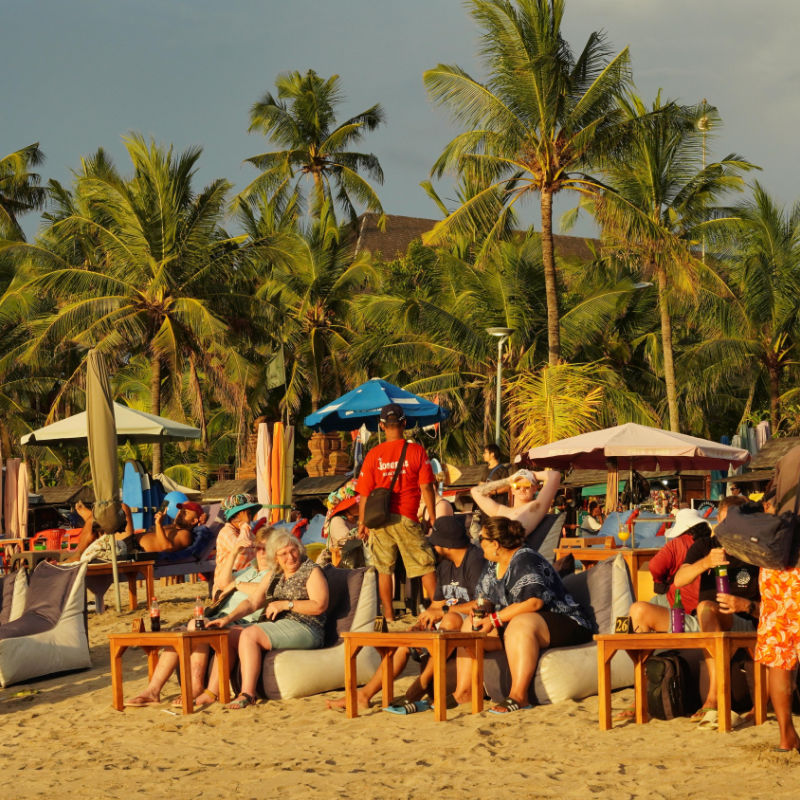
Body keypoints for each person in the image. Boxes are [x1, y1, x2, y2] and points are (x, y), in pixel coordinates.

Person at [325, 515, 486, 713]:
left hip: (471, 624)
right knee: (405, 643)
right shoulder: (446, 565)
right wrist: (424, 620)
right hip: (448, 625)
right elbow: (437, 604)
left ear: (447, 544)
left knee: (451, 619)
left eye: (436, 543)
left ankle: (419, 688)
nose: (433, 547)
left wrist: (443, 611)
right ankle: (364, 695)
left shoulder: (475, 561)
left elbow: (482, 604)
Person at [451, 516, 595, 713]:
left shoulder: (526, 559)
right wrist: (480, 613)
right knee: (469, 627)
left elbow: (534, 602)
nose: (478, 542)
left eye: (481, 538)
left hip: (564, 621)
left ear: (495, 544)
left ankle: (519, 696)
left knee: (521, 623)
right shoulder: (494, 564)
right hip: (519, 625)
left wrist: (494, 619)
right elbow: (485, 599)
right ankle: (464, 692)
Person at [123, 523, 276, 708]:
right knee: (179, 634)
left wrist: (237, 585)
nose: (260, 552)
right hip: (219, 615)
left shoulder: (274, 574)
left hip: (240, 621)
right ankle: (152, 691)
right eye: (258, 547)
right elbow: (222, 582)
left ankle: (196, 687)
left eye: (265, 548)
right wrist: (235, 551)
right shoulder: (250, 571)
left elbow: (262, 592)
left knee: (197, 625)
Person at [673, 494, 759, 726]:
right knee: (639, 610)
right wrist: (706, 563)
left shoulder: (756, 551)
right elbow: (679, 580)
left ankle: (713, 698)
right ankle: (714, 697)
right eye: (721, 522)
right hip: (707, 618)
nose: (725, 529)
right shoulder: (707, 547)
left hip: (745, 619)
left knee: (706, 609)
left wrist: (745, 606)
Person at [221, 532, 329, 709]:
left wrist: (287, 604)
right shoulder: (275, 574)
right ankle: (213, 691)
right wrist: (227, 618)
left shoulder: (311, 570)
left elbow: (319, 605)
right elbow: (252, 602)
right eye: (283, 554)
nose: (291, 557)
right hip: (281, 625)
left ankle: (248, 693)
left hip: (308, 627)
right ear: (276, 558)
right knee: (231, 634)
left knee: (250, 635)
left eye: (293, 550)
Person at [355, 403, 437, 623]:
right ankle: (437, 612)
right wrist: (432, 515)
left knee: (384, 570)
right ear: (404, 423)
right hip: (407, 516)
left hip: (379, 521)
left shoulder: (373, 455)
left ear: (381, 426)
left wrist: (362, 522)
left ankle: (389, 619)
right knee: (425, 565)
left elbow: (364, 494)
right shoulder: (416, 451)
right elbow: (427, 487)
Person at [755, 447, 800, 753]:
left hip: (777, 563)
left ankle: (787, 737)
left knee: (779, 657)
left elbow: (768, 503)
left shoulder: (788, 457)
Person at [627, 507, 712, 633]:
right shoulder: (711, 545)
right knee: (653, 603)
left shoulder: (677, 544)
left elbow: (655, 566)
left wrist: (660, 580)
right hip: (706, 605)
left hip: (680, 602)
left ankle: (647, 646)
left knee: (643, 609)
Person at [70, 499, 207, 561]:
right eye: (180, 510)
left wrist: (158, 524)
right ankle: (92, 517)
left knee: (122, 508)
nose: (180, 513)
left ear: (194, 521)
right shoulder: (172, 527)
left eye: (185, 513)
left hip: (133, 549)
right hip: (131, 541)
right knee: (115, 512)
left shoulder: (185, 535)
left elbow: (166, 547)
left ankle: (78, 555)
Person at [470, 467, 561, 536]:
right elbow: (475, 491)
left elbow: (554, 475)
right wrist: (507, 480)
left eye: (526, 485)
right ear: (512, 490)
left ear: (534, 489)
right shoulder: (501, 511)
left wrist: (534, 474)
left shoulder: (535, 508)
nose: (522, 489)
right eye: (517, 486)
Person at [213, 493, 262, 593]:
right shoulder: (226, 532)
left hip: (244, 577)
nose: (249, 517)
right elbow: (240, 549)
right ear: (236, 515)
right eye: (246, 513)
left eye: (249, 514)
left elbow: (256, 546)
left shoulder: (246, 532)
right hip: (226, 584)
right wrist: (244, 524)